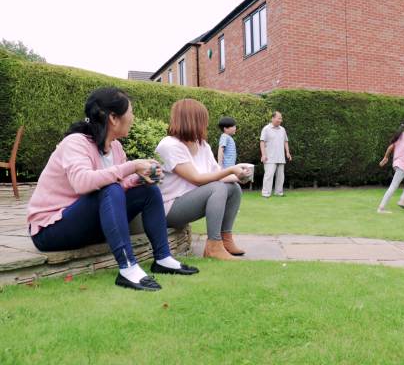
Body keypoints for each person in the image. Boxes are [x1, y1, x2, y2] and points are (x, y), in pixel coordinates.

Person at [27, 88, 198, 292]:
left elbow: (119, 184)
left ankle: (163, 258)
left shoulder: (115, 147)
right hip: (51, 229)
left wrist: (140, 178)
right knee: (110, 190)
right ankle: (128, 268)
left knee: (148, 191)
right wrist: (132, 166)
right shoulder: (75, 142)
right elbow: (83, 183)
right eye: (131, 112)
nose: (133, 117)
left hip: (87, 222)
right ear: (114, 118)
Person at [156, 99, 250, 261]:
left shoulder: (202, 145)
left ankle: (225, 239)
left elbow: (217, 172)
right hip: (169, 208)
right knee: (217, 187)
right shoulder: (169, 145)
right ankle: (213, 246)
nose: (206, 124)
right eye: (203, 120)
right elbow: (197, 179)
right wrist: (231, 169)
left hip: (190, 201)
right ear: (193, 120)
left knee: (233, 188)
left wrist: (238, 176)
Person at [260, 111, 292, 197]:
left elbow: (286, 141)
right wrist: (263, 155)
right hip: (269, 157)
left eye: (281, 118)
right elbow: (262, 142)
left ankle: (279, 192)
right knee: (269, 176)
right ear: (273, 118)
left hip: (281, 157)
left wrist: (288, 152)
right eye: (279, 118)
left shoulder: (283, 129)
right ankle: (266, 193)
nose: (280, 120)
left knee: (280, 177)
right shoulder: (266, 129)